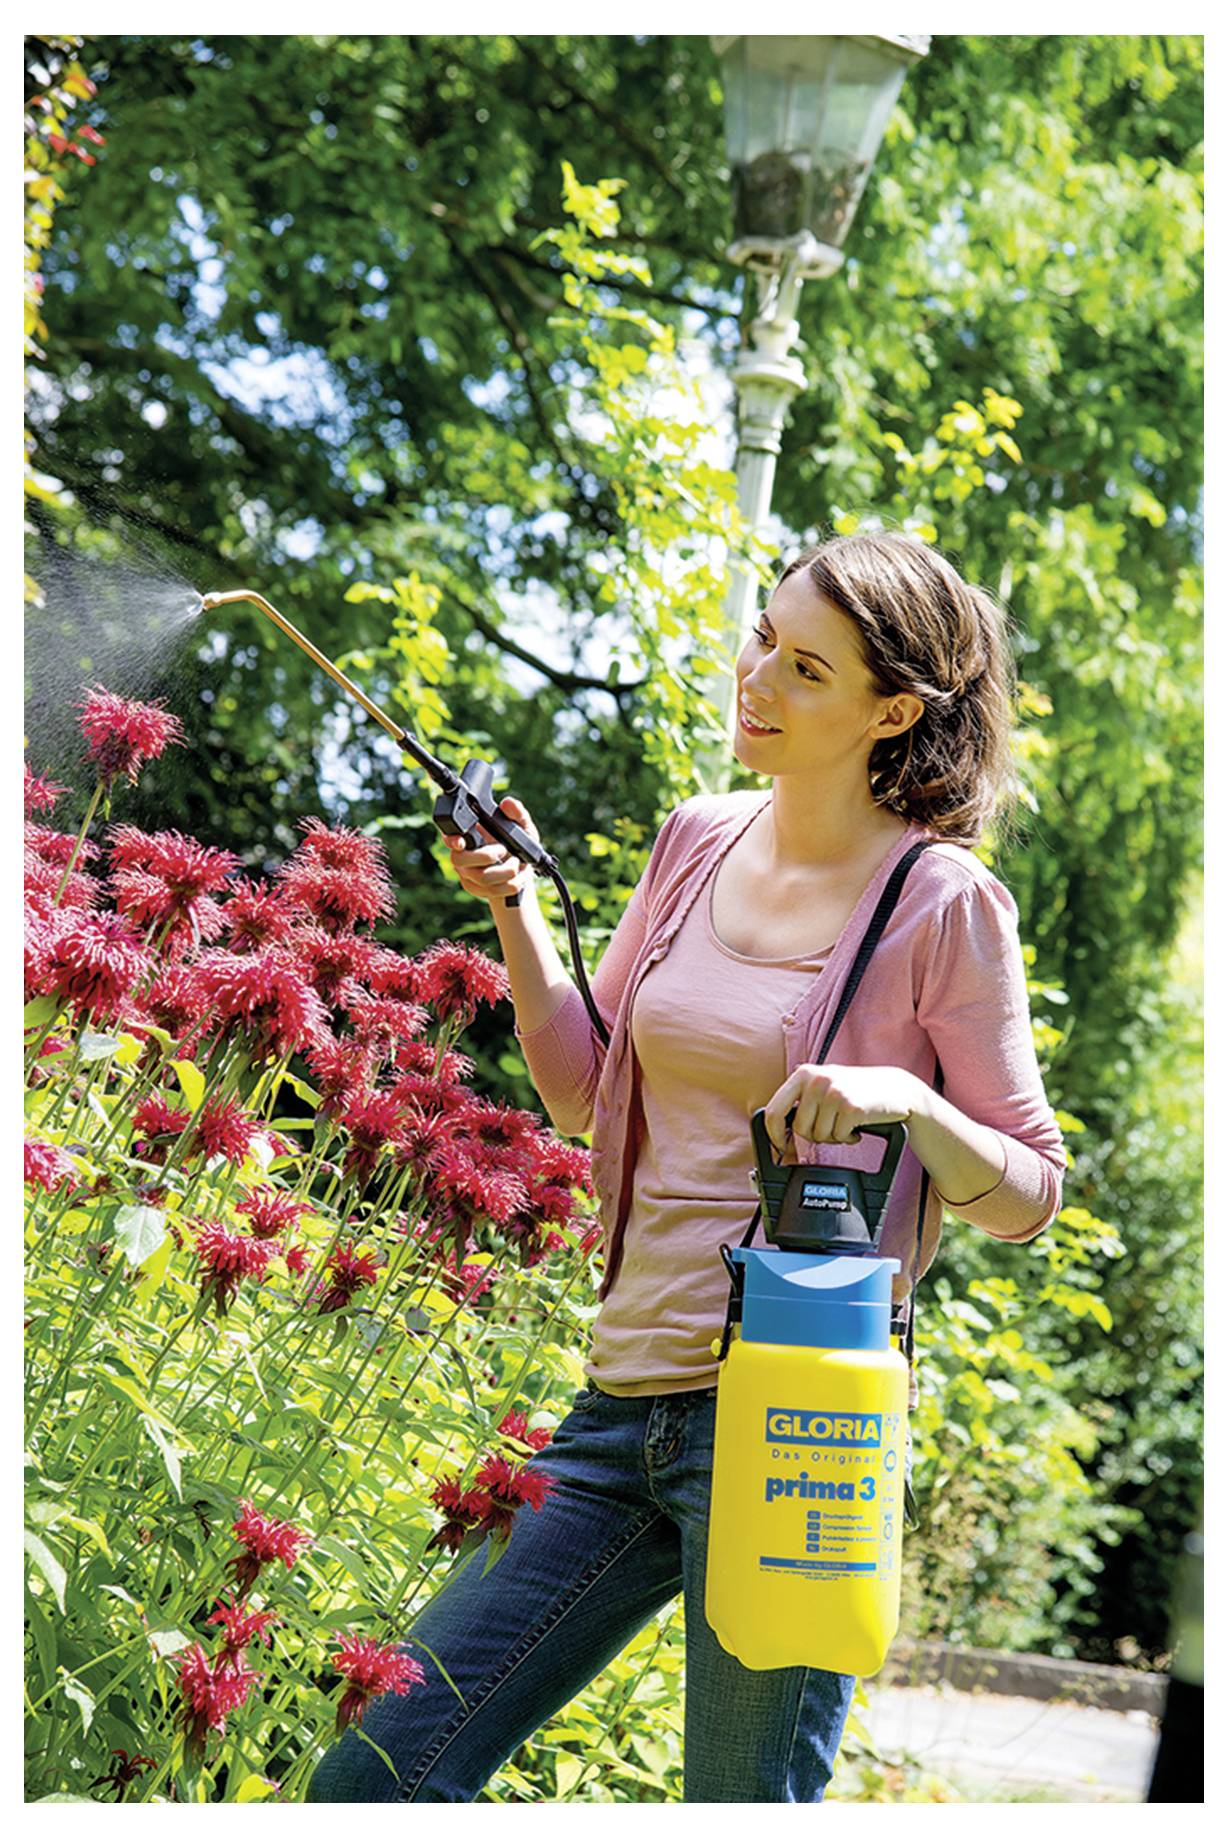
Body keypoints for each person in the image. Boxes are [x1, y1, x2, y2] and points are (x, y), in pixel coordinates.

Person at [306, 530, 1066, 1804]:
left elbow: (1030, 1192)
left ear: (891, 711)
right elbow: (581, 1090)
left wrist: (904, 1103)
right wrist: (516, 908)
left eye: (805, 668)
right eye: (763, 637)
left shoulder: (942, 904)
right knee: (375, 1777)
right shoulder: (697, 837)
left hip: (792, 1426)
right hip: (618, 1403)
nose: (756, 678)